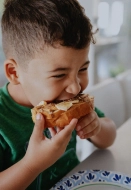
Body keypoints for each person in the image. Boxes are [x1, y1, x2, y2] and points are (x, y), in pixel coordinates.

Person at [0, 0, 116, 189]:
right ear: (14, 72)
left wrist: (96, 126)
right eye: (59, 75)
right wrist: (32, 165)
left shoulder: (69, 103)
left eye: (83, 69)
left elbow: (109, 137)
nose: (76, 88)